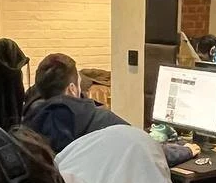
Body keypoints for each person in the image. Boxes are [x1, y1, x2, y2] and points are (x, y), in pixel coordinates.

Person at [24, 53, 197, 165]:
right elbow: (144, 149)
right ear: (71, 89)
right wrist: (184, 150)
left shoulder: (26, 124)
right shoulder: (100, 120)